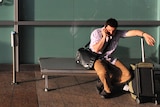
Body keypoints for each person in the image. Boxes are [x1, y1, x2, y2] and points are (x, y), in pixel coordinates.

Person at [89, 18, 155, 98]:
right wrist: (104, 37)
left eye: (113, 31)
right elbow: (96, 49)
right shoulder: (96, 33)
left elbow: (132, 32)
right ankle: (107, 90)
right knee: (103, 72)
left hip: (109, 58)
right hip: (97, 59)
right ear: (105, 27)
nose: (111, 33)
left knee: (127, 75)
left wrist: (144, 34)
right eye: (109, 30)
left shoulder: (116, 33)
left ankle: (104, 82)